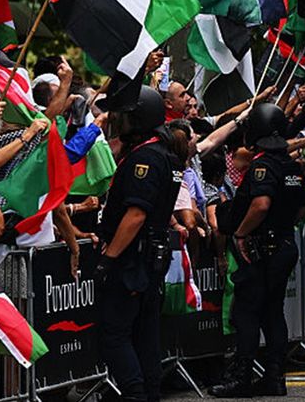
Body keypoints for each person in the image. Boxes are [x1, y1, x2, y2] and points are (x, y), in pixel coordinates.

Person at [211, 103, 305, 397]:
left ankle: (241, 379)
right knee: (273, 312)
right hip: (282, 244)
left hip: (259, 249)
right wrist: (284, 223)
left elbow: (261, 204)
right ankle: (275, 378)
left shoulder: (263, 165)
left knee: (246, 314)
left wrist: (242, 234)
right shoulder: (293, 166)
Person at [95, 85, 182, 402]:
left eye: (123, 116)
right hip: (150, 258)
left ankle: (134, 392)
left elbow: (135, 215)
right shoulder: (165, 155)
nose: (117, 121)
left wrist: (109, 258)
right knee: (146, 333)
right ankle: (149, 393)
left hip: (132, 259)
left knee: (115, 333)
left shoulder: (144, 158)